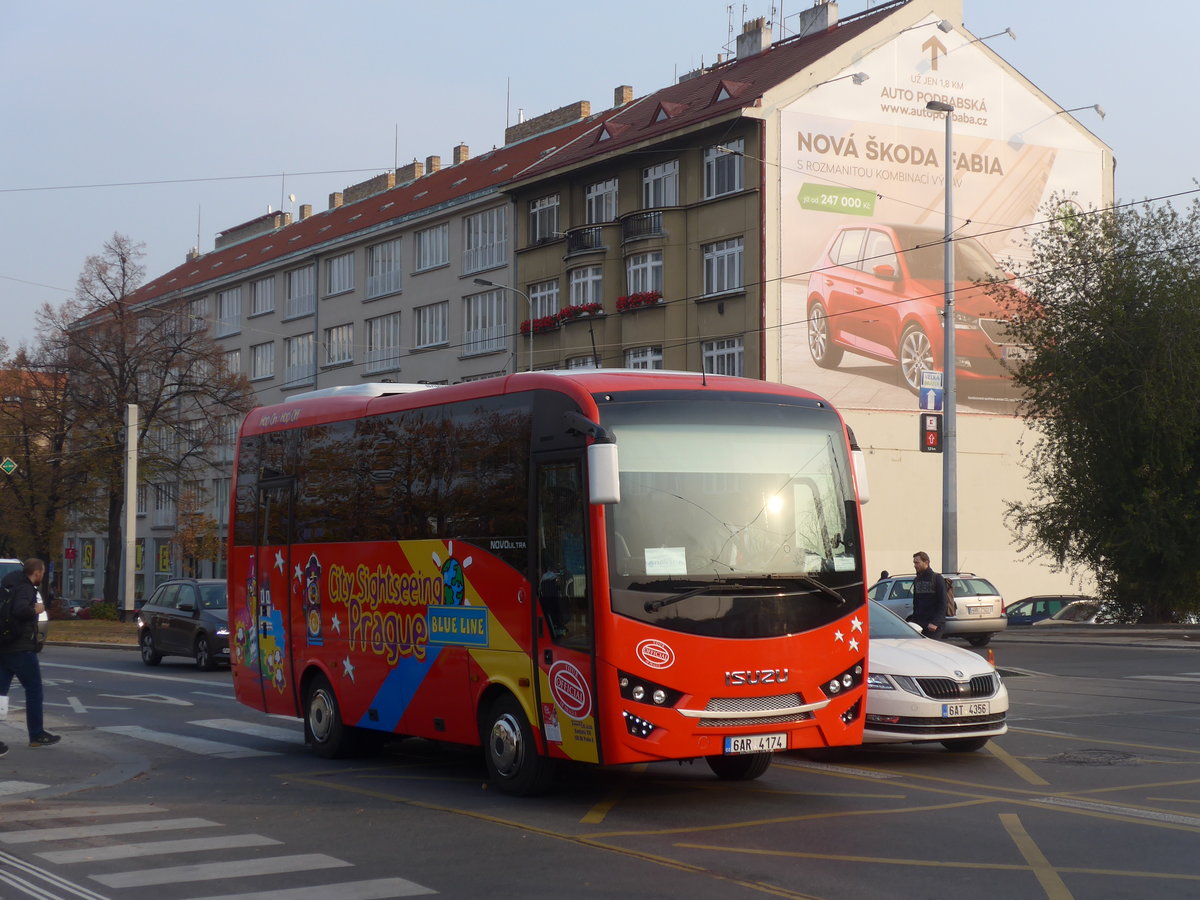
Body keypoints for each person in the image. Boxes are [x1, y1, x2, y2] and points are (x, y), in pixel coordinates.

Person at [0, 559, 61, 749]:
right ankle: (36, 734)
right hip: (21, 648)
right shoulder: (26, 589)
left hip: (4, 646)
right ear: (37, 573)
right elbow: (20, 610)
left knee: (1, 694)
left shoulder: (8, 584)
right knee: (34, 691)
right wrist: (36, 609)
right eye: (42, 573)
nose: (42, 576)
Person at [909, 550, 948, 638]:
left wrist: (935, 623)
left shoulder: (937, 578)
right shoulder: (917, 580)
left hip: (934, 625)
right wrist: (913, 621)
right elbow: (916, 603)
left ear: (926, 562)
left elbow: (943, 602)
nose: (915, 565)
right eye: (914, 563)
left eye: (917, 562)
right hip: (920, 624)